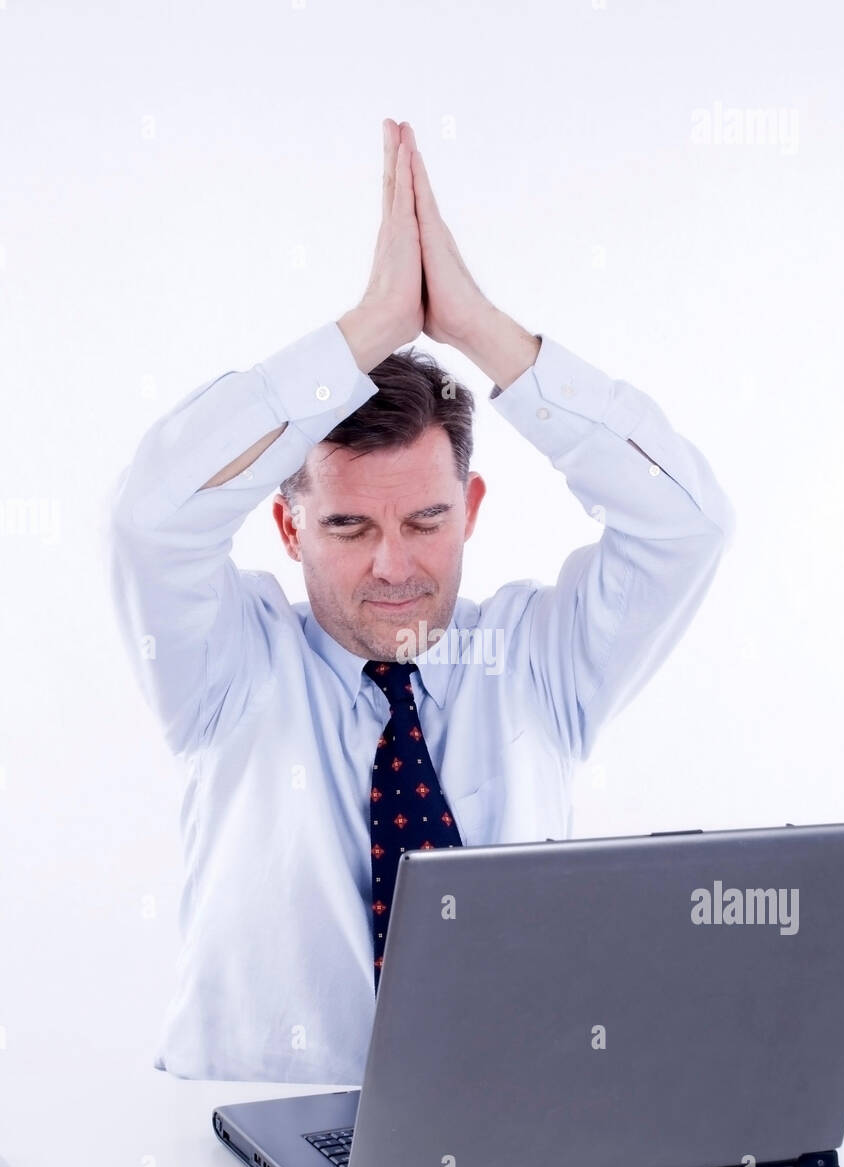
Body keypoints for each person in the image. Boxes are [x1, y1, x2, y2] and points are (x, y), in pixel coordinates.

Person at [107, 119, 736, 1082]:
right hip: (245, 1156)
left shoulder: (538, 663)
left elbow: (687, 524)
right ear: (288, 531)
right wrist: (369, 329)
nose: (395, 566)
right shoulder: (228, 671)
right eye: (351, 528)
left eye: (427, 521)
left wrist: (477, 326)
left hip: (497, 1146)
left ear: (473, 507)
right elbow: (152, 518)